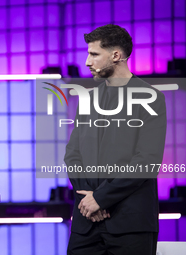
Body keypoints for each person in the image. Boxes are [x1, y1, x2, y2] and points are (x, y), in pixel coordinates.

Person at [64, 24, 166, 255]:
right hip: (86, 222)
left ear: (116, 55)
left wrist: (100, 198)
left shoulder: (150, 98)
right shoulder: (88, 99)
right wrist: (89, 200)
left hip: (130, 223)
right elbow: (73, 155)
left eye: (94, 54)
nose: (88, 61)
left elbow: (147, 161)